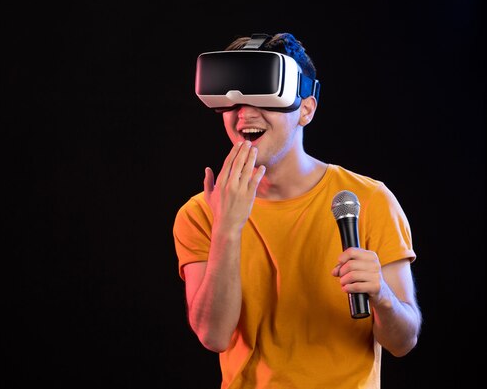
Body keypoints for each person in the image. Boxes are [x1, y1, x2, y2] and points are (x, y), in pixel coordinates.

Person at [172, 32, 422, 388]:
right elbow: (213, 336)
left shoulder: (370, 199)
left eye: (264, 97)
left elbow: (404, 341)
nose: (245, 114)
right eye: (235, 101)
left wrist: (381, 294)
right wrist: (227, 227)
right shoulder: (201, 213)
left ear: (305, 109)